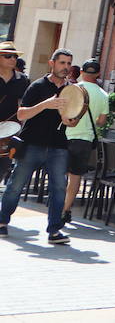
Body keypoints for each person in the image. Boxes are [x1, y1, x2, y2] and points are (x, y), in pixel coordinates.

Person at [0, 48, 76, 244]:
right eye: (62, 63)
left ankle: (54, 231)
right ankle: (2, 221)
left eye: (69, 64)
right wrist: (46, 104)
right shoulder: (37, 86)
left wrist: (70, 120)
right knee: (16, 185)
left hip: (58, 145)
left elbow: (72, 121)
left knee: (59, 187)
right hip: (32, 143)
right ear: (52, 64)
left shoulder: (72, 90)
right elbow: (21, 114)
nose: (66, 67)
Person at [62, 59, 110, 225]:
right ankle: (65, 209)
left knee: (59, 173)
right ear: (97, 74)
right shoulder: (103, 95)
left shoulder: (73, 89)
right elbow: (102, 121)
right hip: (85, 139)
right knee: (75, 176)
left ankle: (57, 206)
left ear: (81, 72)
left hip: (65, 135)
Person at [0, 40, 31, 186]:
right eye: (8, 56)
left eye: (15, 57)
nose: (13, 59)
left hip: (9, 133)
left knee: (2, 167)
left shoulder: (23, 80)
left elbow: (26, 104)